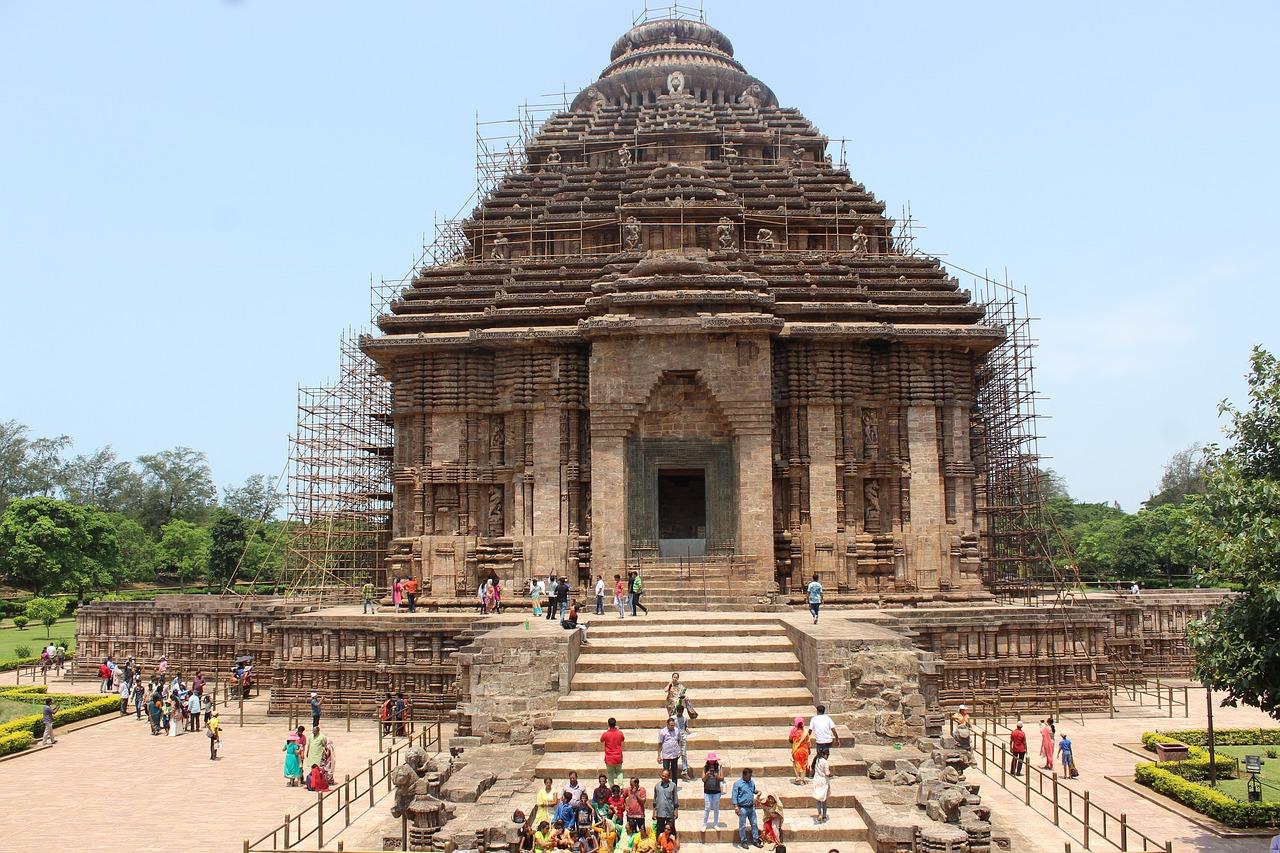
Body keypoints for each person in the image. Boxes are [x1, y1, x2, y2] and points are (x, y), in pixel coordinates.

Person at [731, 768, 761, 849]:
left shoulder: (751, 782)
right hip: (742, 808)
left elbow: (753, 790)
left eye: (751, 776)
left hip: (751, 807)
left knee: (754, 824)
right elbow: (734, 796)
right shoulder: (738, 784)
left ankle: (755, 840)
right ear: (744, 775)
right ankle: (743, 841)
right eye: (749, 776)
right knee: (742, 825)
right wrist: (736, 807)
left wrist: (758, 792)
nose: (750, 777)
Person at [702, 752, 725, 829]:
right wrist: (707, 774)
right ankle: (705, 824)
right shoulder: (705, 768)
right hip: (707, 791)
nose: (711, 761)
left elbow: (722, 778)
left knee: (716, 808)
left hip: (716, 791)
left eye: (713, 760)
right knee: (707, 808)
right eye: (710, 760)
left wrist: (716, 776)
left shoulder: (719, 767)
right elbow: (703, 779)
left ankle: (716, 824)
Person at [602, 717, 626, 787]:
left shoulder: (605, 734)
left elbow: (601, 740)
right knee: (619, 772)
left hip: (609, 757)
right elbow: (622, 739)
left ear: (608, 725)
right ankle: (621, 786)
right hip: (618, 756)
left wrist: (607, 731)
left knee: (610, 773)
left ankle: (611, 786)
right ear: (615, 724)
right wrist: (617, 730)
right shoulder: (619, 733)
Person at [653, 769, 678, 833]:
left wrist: (676, 811)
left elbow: (675, 799)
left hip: (669, 812)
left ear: (669, 777)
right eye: (662, 776)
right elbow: (655, 800)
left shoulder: (673, 786)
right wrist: (654, 813)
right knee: (660, 831)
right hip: (660, 812)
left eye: (665, 776)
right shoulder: (657, 786)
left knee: (671, 831)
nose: (663, 777)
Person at [657, 717, 682, 781]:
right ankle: (666, 785)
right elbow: (660, 744)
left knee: (674, 772)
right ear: (667, 724)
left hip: (674, 754)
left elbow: (679, 740)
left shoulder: (677, 730)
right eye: (671, 725)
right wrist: (659, 755)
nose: (672, 727)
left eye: (673, 725)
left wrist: (679, 751)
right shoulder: (662, 732)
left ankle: (674, 787)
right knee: (666, 772)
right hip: (666, 755)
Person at [812, 750, 832, 823]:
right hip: (823, 781)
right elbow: (827, 773)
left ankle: (819, 813)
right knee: (824, 800)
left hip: (817, 780)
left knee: (818, 799)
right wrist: (831, 774)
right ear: (825, 754)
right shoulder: (825, 762)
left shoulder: (817, 759)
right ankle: (824, 815)